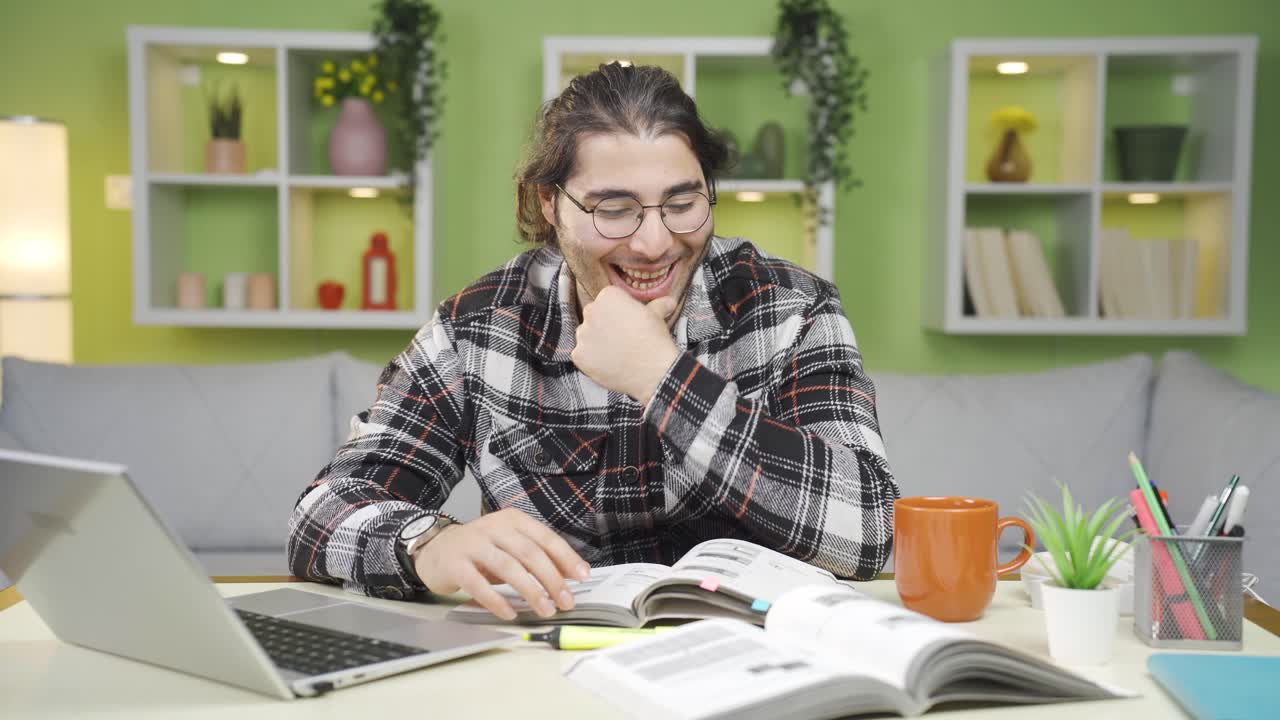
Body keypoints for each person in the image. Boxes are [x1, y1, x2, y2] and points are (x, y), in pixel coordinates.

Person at [287, 62, 898, 621]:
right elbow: (322, 515)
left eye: (682, 203)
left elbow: (871, 529)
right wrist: (427, 544)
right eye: (615, 209)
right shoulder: (478, 328)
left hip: (756, 668)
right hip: (551, 671)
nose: (655, 243)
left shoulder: (790, 309)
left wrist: (663, 378)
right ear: (549, 203)